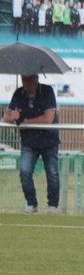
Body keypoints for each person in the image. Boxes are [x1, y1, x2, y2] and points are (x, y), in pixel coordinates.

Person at [2, 75, 60, 214]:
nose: (26, 82)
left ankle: (53, 206)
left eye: (29, 79)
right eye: (24, 79)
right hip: (29, 141)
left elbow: (48, 118)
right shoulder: (19, 93)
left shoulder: (47, 91)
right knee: (25, 171)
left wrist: (27, 121)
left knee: (52, 173)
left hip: (49, 140)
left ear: (36, 78)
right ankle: (31, 204)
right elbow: (6, 117)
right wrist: (13, 117)